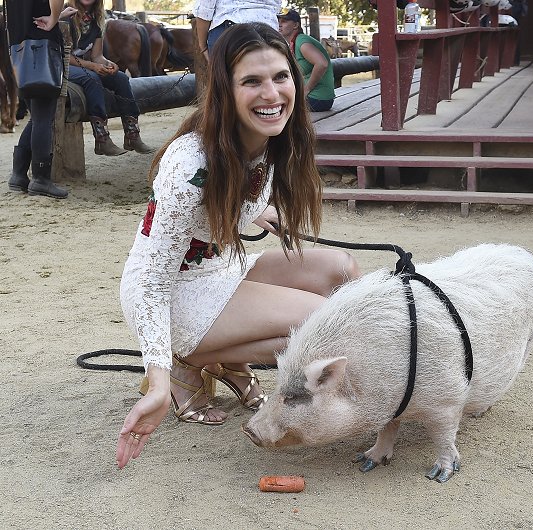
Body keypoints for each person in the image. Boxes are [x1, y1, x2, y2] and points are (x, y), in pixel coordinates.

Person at [115, 22, 360, 469]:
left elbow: (227, 206)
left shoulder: (270, 141)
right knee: (320, 321)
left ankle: (219, 360)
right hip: (171, 294)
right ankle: (185, 359)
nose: (272, 94)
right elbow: (151, 280)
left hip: (223, 270)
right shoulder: (190, 164)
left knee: (341, 270)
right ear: (225, 90)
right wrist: (155, 378)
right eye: (252, 81)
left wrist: (257, 213)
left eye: (280, 77)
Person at [60, 0, 152, 156]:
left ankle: (132, 135)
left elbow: (97, 56)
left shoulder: (96, 18)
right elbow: (64, 56)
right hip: (61, 66)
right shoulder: (66, 14)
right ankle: (102, 139)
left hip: (82, 65)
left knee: (121, 78)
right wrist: (93, 66)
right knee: (92, 78)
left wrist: (109, 64)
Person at [6, 0, 68, 198]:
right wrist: (54, 18)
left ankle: (18, 175)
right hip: (43, 40)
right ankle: (41, 179)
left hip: (18, 45)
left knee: (37, 116)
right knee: (43, 118)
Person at [277, 8, 335, 112]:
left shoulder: (301, 41)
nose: (280, 25)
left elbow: (322, 63)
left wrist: (306, 89)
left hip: (317, 99)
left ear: (296, 25)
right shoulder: (293, 43)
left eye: (284, 21)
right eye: (278, 21)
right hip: (316, 99)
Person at [192, 0, 280, 62]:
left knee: (226, 83)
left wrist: (202, 45)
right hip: (269, 28)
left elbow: (205, 10)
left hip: (230, 25)